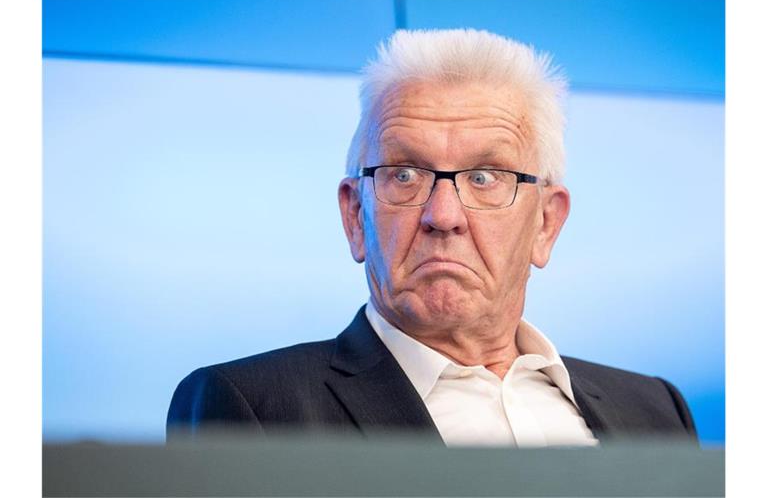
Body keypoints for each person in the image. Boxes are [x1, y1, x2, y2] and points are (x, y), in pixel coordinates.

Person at [167, 29, 697, 447]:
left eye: (486, 177)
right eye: (404, 175)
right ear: (355, 217)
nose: (443, 216)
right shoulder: (252, 407)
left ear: (545, 224)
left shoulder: (655, 410)